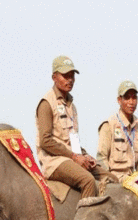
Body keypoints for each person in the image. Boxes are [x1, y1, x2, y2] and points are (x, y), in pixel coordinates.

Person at [35, 55, 100, 199]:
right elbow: (45, 141)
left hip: (72, 158)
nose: (70, 80)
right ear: (54, 77)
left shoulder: (71, 106)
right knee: (88, 180)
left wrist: (85, 155)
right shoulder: (46, 103)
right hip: (54, 162)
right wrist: (74, 157)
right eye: (65, 76)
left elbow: (73, 140)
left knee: (106, 175)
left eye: (72, 76)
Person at [96, 80, 138, 180]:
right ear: (119, 100)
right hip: (116, 178)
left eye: (134, 98)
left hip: (135, 177)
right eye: (127, 98)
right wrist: (108, 179)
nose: (131, 102)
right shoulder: (109, 125)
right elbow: (102, 157)